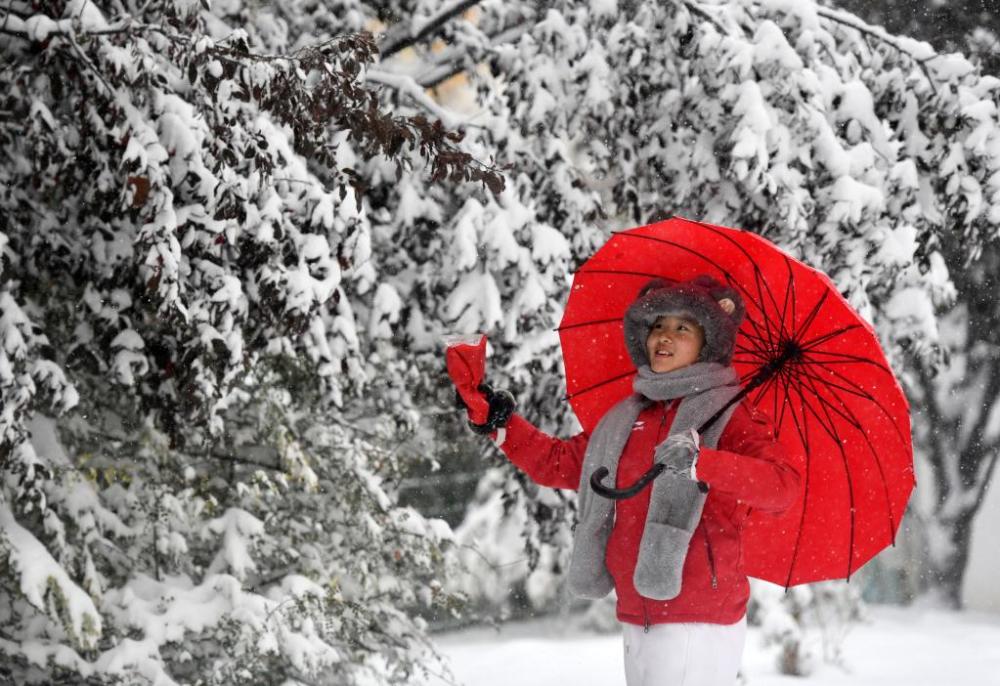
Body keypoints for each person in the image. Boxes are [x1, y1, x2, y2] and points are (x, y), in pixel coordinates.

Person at [449, 275, 801, 686]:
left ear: (709, 341)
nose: (663, 337)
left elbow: (781, 487)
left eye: (682, 328)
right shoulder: (628, 417)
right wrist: (502, 424)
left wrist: (701, 462)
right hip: (637, 608)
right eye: (657, 325)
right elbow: (559, 463)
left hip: (699, 618)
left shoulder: (731, 414)